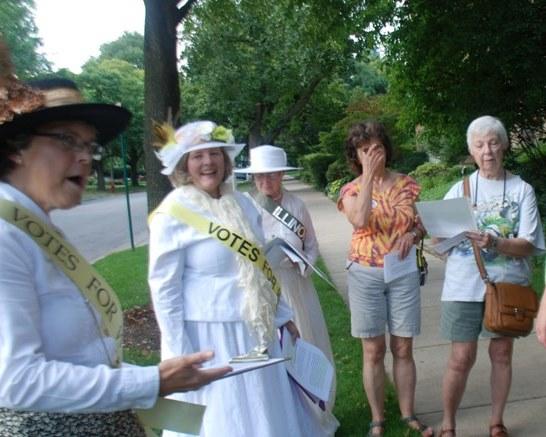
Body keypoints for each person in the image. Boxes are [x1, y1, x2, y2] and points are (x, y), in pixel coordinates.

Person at [0, 71, 231, 434]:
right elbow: (15, 380)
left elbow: (82, 353)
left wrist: (144, 379)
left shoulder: (37, 229)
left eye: (89, 146)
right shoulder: (6, 236)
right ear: (16, 146)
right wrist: (150, 382)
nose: (85, 158)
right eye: (67, 140)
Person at [148, 121, 330, 437]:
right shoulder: (174, 211)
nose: (207, 162)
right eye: (197, 156)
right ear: (184, 165)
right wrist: (181, 354)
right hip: (208, 337)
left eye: (215, 153)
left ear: (225, 159)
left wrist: (284, 316)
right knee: (223, 417)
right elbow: (164, 289)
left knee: (265, 413)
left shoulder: (244, 203)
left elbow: (261, 269)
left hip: (254, 330)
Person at [437, 115, 545, 437]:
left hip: (508, 286)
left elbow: (528, 245)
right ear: (471, 151)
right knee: (461, 357)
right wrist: (437, 235)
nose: (488, 151)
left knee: (501, 353)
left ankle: (496, 422)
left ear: (505, 146)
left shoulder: (521, 190)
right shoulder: (460, 189)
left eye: (494, 143)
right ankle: (448, 424)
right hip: (462, 286)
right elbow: (441, 240)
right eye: (480, 145)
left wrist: (495, 242)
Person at [337, 120, 432, 437]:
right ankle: (377, 419)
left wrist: (414, 235)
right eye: (365, 150)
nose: (373, 154)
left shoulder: (407, 184)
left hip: (402, 271)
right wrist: (367, 178)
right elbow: (360, 219)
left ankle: (407, 414)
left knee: (403, 347)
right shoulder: (350, 190)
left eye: (377, 147)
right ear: (356, 155)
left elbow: (423, 224)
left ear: (386, 149)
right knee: (373, 350)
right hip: (365, 273)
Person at [235, 145, 338, 424]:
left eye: (270, 175)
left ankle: (315, 413)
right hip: (265, 290)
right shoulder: (246, 206)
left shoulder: (296, 205)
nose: (264, 182)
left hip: (295, 285)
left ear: (281, 174)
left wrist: (303, 263)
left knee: (304, 345)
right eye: (259, 177)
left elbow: (312, 246)